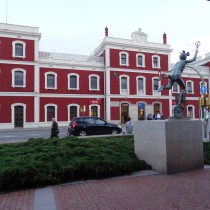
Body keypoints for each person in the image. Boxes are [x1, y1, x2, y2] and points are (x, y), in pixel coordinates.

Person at [158, 42, 200, 107]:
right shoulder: (184, 61)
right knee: (183, 88)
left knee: (169, 87)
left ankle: (163, 87)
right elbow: (194, 59)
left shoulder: (177, 63)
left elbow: (173, 69)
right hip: (177, 76)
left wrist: (167, 74)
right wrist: (196, 51)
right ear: (185, 58)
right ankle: (180, 102)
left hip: (171, 75)